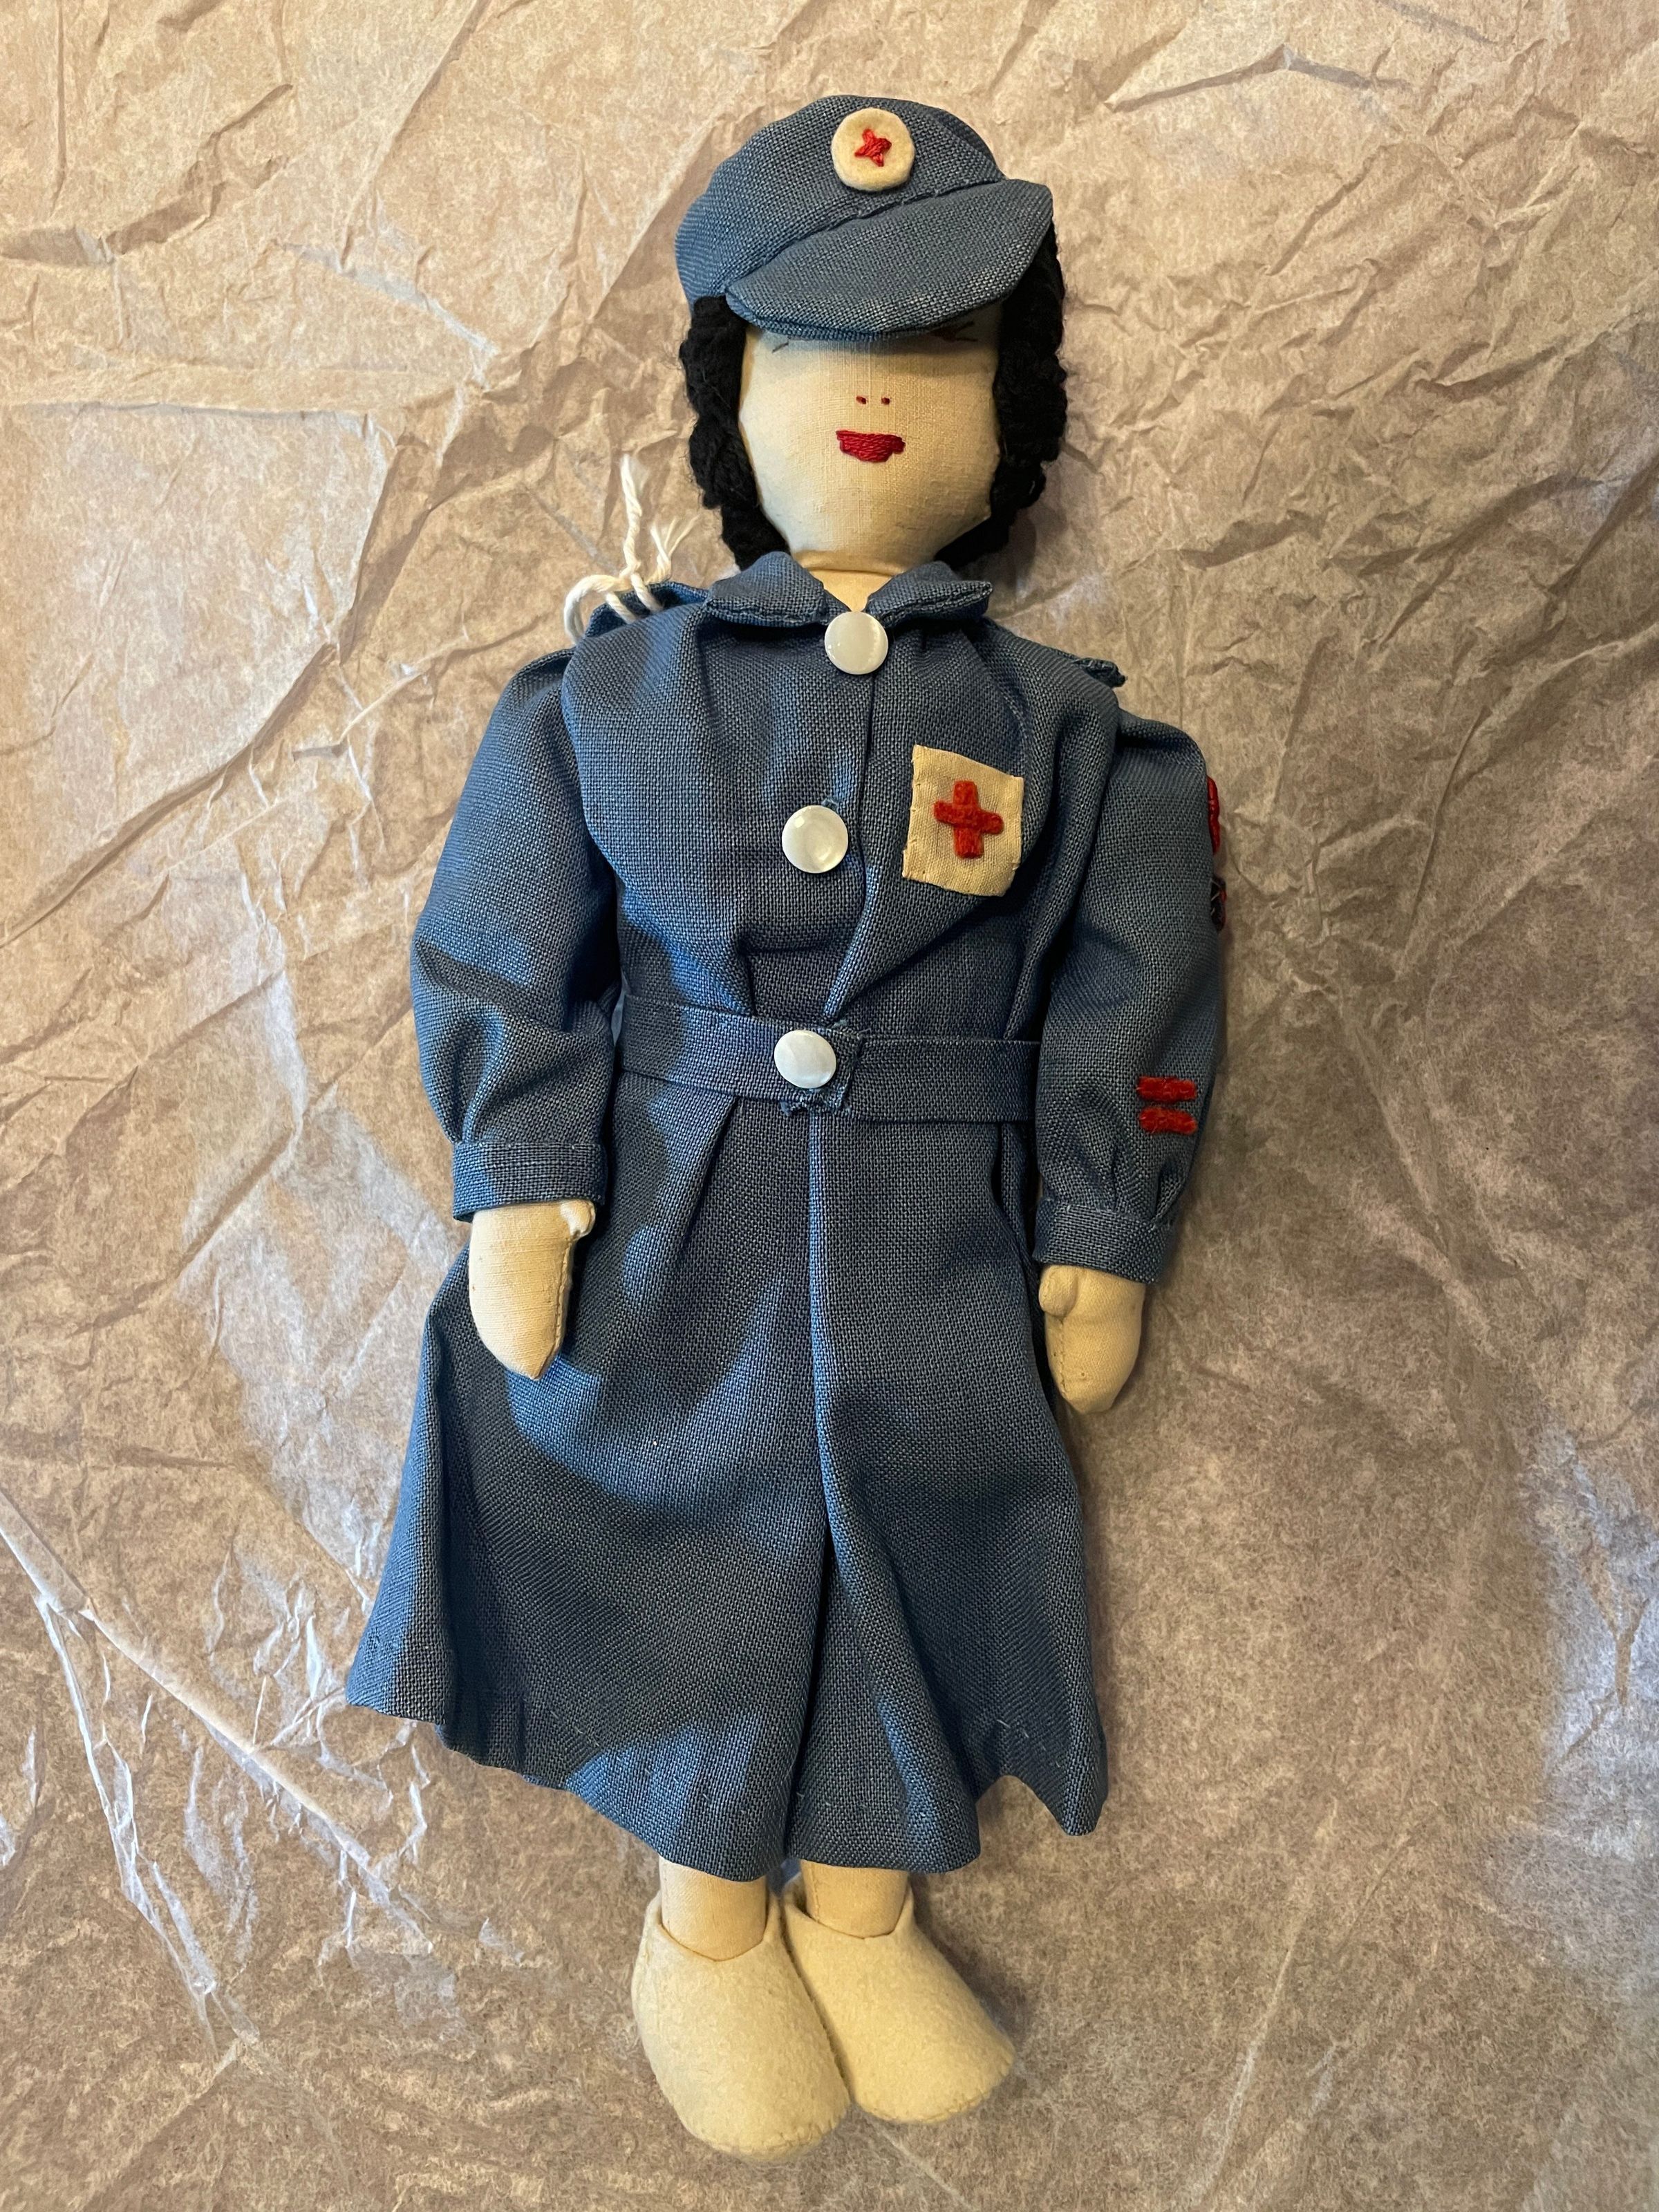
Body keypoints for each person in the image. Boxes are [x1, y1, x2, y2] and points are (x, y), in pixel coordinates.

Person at [349, 94, 1222, 2160]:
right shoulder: (613, 699)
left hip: (938, 1230)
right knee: (690, 1545)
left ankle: (860, 1907)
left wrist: (1104, 1217)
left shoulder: (1070, 733)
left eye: (938, 357)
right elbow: (507, 939)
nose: (876, 399)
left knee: (921, 1535)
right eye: (823, 352)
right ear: (736, 396)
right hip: (675, 1221)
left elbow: (1139, 973)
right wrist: (522, 1176)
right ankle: (709, 1923)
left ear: (1009, 410)